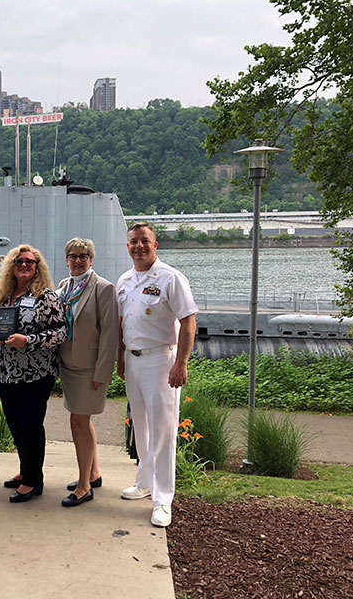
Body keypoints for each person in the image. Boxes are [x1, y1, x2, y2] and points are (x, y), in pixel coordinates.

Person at [116, 223, 198, 527]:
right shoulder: (124, 281)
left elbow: (188, 322)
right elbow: (122, 322)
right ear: (127, 247)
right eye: (134, 242)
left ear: (155, 245)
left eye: (144, 241)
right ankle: (145, 482)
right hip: (134, 361)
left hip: (161, 360)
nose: (139, 246)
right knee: (141, 426)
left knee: (163, 431)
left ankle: (163, 499)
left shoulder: (170, 278)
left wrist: (181, 363)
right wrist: (120, 358)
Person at [0, 245, 67, 503]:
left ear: (37, 267)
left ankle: (33, 481)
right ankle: (25, 470)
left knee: (30, 426)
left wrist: (28, 340)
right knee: (16, 425)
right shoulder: (2, 295)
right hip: (5, 372)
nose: (24, 265)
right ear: (11, 265)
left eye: (30, 262)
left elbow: (60, 332)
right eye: (19, 261)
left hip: (34, 374)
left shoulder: (46, 297)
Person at [55, 238, 118, 508]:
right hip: (67, 365)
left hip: (89, 368)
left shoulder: (103, 289)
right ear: (66, 259)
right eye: (73, 256)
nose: (78, 260)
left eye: (83, 256)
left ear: (91, 259)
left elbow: (109, 334)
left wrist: (103, 373)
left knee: (78, 423)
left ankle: (83, 487)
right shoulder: (63, 287)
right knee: (82, 421)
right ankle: (93, 473)